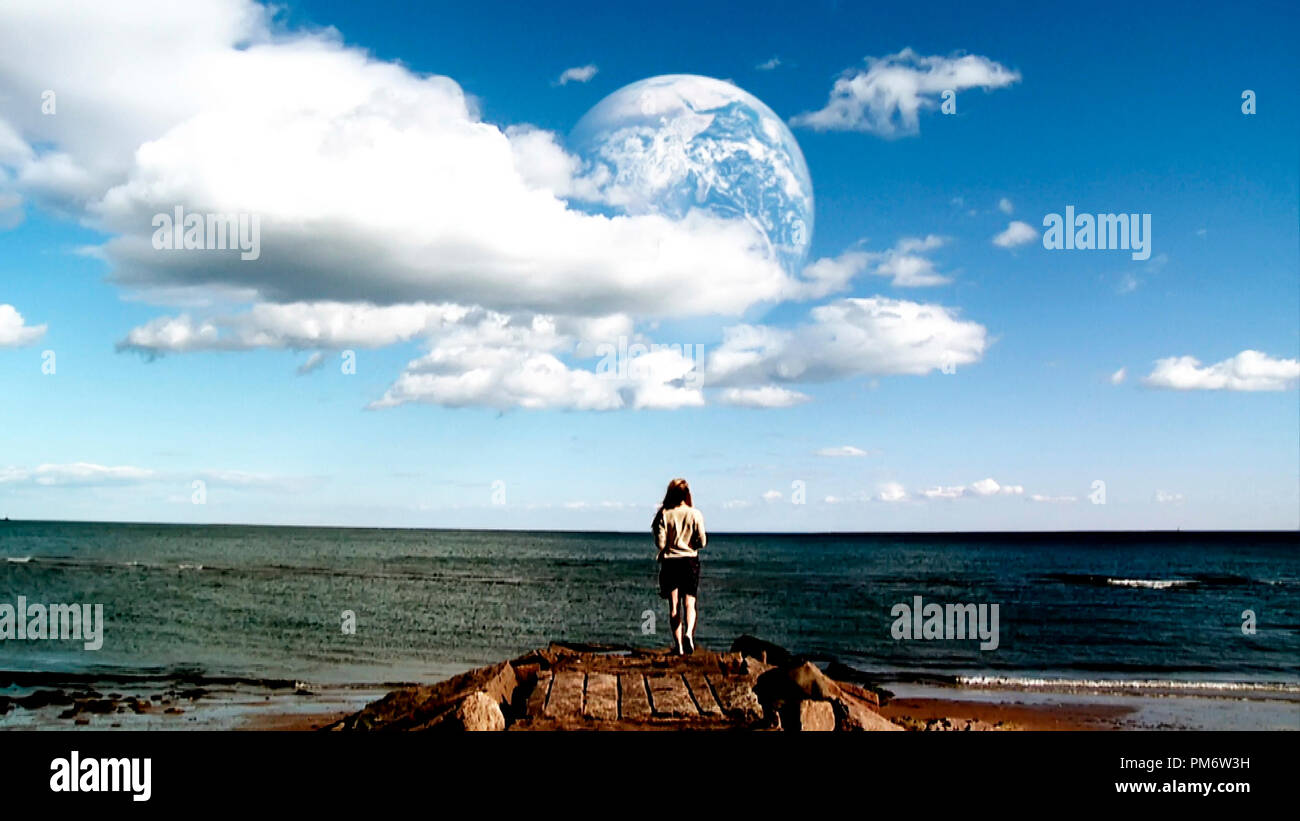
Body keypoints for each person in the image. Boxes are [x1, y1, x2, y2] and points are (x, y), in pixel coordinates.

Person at [652, 478, 706, 655]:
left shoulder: (665, 514)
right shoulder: (695, 514)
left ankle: (679, 648)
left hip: (671, 562)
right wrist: (691, 545)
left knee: (674, 606)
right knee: (690, 603)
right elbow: (702, 542)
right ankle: (689, 634)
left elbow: (660, 544)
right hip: (690, 561)